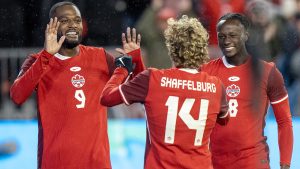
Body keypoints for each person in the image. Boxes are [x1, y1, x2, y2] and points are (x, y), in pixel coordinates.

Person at [9, 1, 145, 169]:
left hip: (96, 163)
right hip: (55, 163)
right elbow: (17, 96)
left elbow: (139, 90)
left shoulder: (100, 57)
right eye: (65, 20)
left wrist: (137, 61)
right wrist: (46, 55)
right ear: (51, 26)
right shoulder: (37, 61)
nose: (73, 25)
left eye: (77, 20)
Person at [100, 15, 229, 169]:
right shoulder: (216, 86)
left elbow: (107, 97)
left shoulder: (153, 79)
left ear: (171, 47)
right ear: (202, 50)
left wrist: (123, 68)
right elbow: (224, 120)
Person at [200, 13, 293, 169]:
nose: (226, 41)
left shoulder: (268, 72)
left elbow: (284, 121)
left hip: (253, 161)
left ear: (246, 36)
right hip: (214, 162)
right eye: (221, 36)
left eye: (232, 35)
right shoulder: (205, 72)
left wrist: (285, 164)